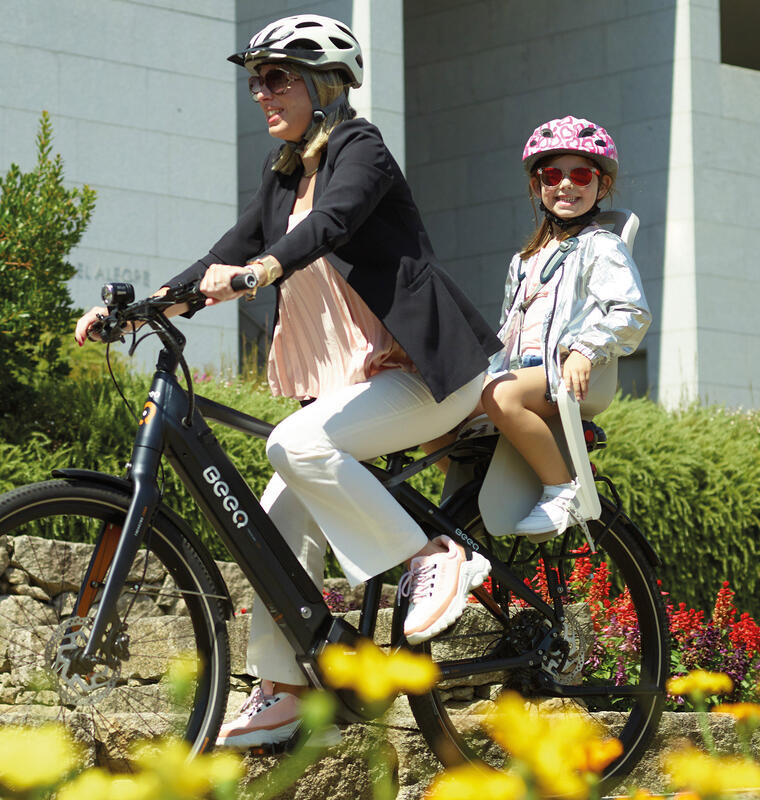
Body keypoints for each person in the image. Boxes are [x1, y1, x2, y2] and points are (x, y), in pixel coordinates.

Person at [75, 13, 499, 749]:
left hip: (426, 373)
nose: (259, 93)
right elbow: (226, 253)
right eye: (254, 81)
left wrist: (271, 266)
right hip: (357, 388)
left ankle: (434, 558)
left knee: (295, 445)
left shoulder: (358, 148)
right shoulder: (281, 178)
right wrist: (140, 311)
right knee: (273, 522)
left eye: (275, 78)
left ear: (321, 84)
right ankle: (285, 689)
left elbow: (332, 223)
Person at [480, 115, 651, 537]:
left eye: (581, 174)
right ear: (538, 185)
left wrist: (585, 349)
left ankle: (562, 489)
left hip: (570, 374)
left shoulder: (601, 246)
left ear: (601, 185)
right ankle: (468, 500)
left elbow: (630, 311)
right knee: (440, 404)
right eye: (553, 174)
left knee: (498, 395)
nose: (566, 185)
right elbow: (507, 328)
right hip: (521, 371)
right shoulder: (523, 261)